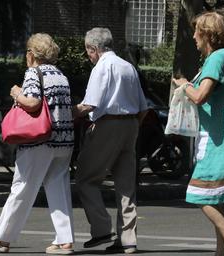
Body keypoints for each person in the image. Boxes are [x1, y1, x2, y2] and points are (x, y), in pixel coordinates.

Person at [0, 33, 75, 255]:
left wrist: (16, 92)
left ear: (32, 54)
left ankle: (2, 237)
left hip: (39, 141)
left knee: (22, 186)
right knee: (58, 188)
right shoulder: (61, 75)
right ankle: (65, 240)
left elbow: (32, 103)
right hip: (64, 141)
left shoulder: (34, 72)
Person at [172, 12, 224, 256]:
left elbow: (200, 96)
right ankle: (223, 250)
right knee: (216, 194)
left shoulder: (216, 59)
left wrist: (185, 84)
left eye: (197, 31)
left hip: (220, 136)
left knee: (199, 193)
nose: (194, 37)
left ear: (207, 34)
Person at [73, 27, 147, 254]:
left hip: (108, 125)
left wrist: (65, 112)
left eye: (88, 51)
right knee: (126, 185)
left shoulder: (102, 67)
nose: (89, 56)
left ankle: (101, 228)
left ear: (93, 48)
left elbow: (89, 105)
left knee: (85, 177)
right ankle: (128, 240)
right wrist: (131, 126)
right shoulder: (128, 67)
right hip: (131, 123)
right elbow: (143, 107)